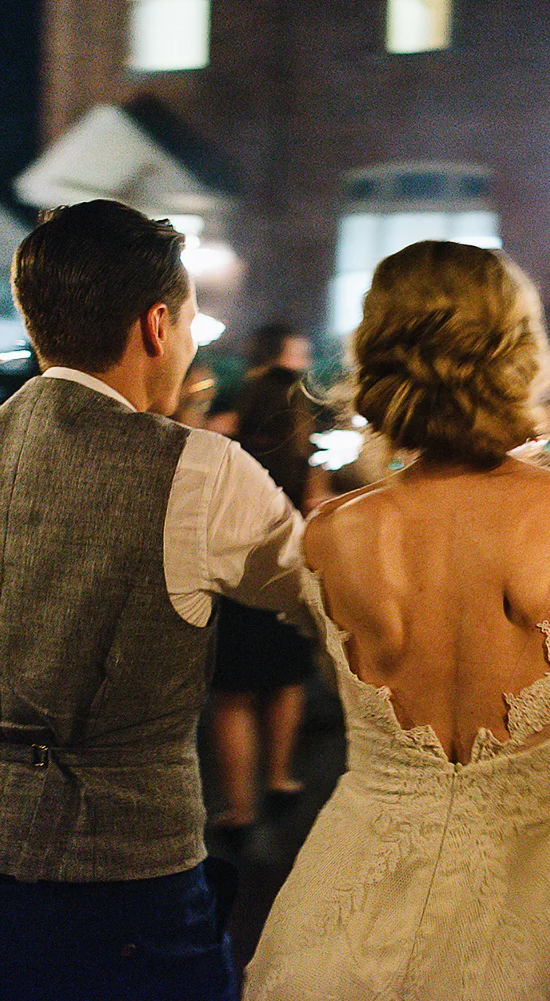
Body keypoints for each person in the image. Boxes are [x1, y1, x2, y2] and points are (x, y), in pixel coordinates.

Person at [0, 200, 309, 1001]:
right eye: (192, 325)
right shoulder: (201, 469)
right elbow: (321, 595)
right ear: (157, 325)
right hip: (127, 890)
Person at [245, 240, 550, 1000]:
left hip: (332, 941)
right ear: (520, 355)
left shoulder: (329, 535)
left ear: (374, 357)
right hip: (510, 953)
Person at [205, 327, 321, 838]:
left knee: (233, 696)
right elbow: (313, 504)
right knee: (286, 681)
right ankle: (280, 778)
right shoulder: (301, 444)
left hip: (234, 572)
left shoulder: (226, 439)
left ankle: (239, 809)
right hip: (287, 568)